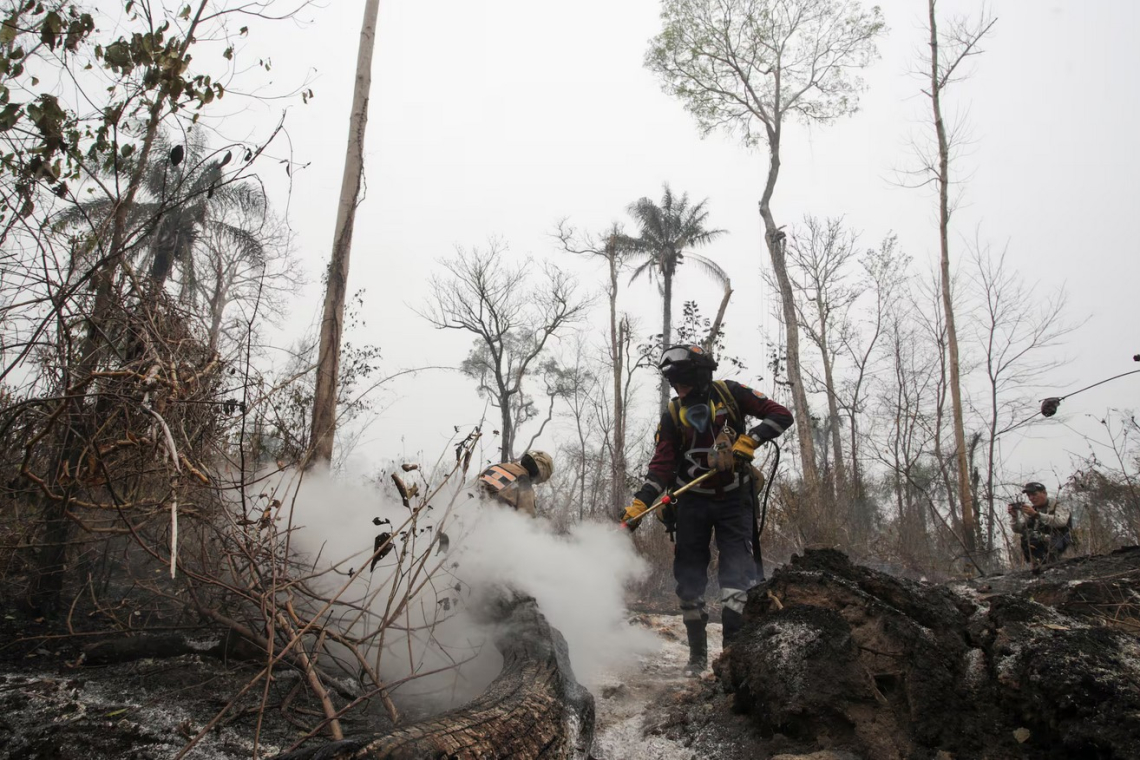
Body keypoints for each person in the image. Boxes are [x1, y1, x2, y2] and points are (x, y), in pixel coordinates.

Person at [622, 344, 793, 675]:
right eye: (674, 385)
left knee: (737, 578)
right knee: (689, 579)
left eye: (682, 383)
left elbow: (781, 414)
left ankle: (731, 657)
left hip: (734, 500)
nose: (678, 390)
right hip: (691, 503)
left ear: (699, 376)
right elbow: (662, 465)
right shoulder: (673, 414)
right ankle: (697, 657)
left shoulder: (731, 394)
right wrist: (641, 502)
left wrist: (750, 440)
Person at [1008, 481, 1073, 567]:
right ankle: (1038, 564)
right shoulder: (1034, 509)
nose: (1031, 498)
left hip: (1062, 541)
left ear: (1044, 493)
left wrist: (1036, 515)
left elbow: (1061, 521)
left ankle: (1053, 561)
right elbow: (1019, 529)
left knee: (1034, 536)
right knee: (1027, 536)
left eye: (1034, 494)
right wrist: (1014, 517)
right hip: (1046, 544)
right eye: (1029, 496)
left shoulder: (1058, 505)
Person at [477, 450, 554, 518]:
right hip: (488, 521)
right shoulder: (523, 481)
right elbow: (527, 520)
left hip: (470, 511)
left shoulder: (495, 467)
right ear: (539, 473)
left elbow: (469, 486)